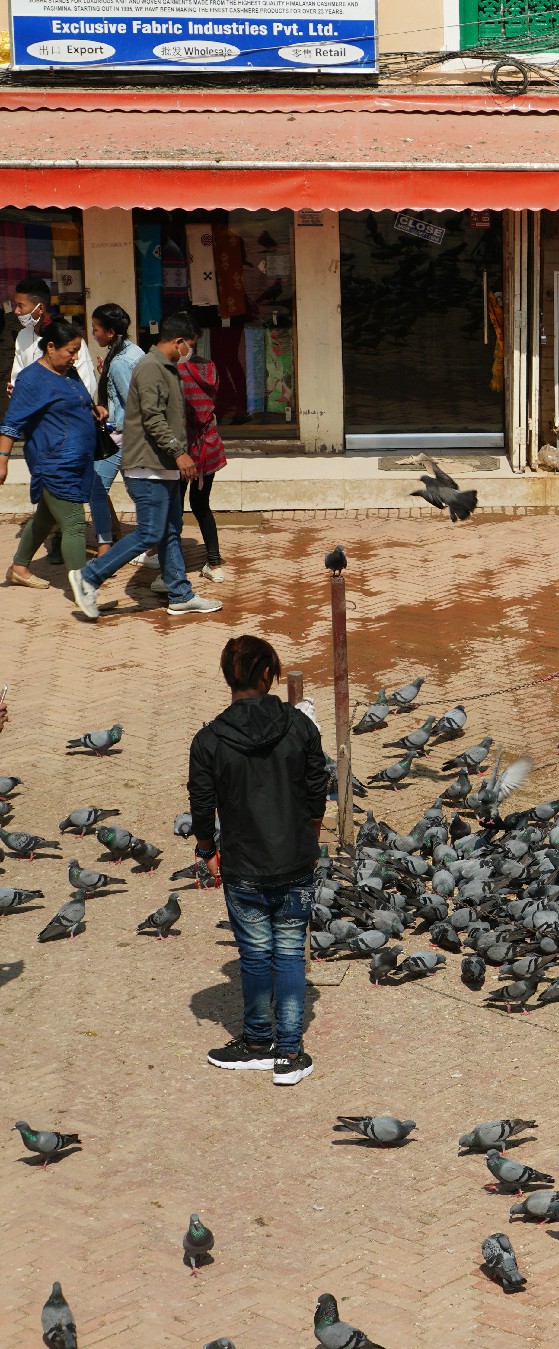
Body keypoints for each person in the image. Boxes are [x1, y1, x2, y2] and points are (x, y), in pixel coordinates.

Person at [189, 634, 331, 1086]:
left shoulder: (209, 739)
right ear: (269, 675)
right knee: (290, 953)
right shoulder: (300, 727)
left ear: (228, 678)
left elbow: (201, 802)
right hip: (295, 860)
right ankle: (289, 1052)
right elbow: (316, 787)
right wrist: (311, 831)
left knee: (253, 953)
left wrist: (207, 850)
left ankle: (255, 1041)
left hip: (243, 865)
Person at [80, 312, 220, 617]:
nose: (190, 352)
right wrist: (179, 452)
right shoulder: (151, 368)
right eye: (190, 345)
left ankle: (180, 594)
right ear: (179, 341)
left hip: (162, 466)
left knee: (169, 530)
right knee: (149, 532)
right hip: (147, 467)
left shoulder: (166, 367)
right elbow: (152, 417)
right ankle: (88, 578)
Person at [0, 318, 100, 599]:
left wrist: (95, 410)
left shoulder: (69, 373)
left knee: (45, 517)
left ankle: (19, 568)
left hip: (77, 460)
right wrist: (2, 459)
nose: (75, 357)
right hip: (54, 463)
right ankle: (83, 591)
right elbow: (11, 423)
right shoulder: (31, 379)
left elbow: (79, 401)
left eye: (78, 350)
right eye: (71, 350)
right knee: (75, 524)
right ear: (51, 347)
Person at [86, 303, 140, 553]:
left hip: (120, 437)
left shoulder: (120, 361)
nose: (93, 333)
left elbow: (132, 403)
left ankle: (104, 550)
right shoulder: (130, 351)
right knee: (140, 493)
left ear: (109, 332)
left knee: (96, 492)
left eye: (96, 329)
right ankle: (151, 545)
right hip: (127, 436)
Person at [177, 340, 229, 581]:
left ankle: (171, 565)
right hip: (210, 447)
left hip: (185, 450)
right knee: (201, 505)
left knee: (174, 507)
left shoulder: (179, 374)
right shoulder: (211, 368)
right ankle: (215, 563)